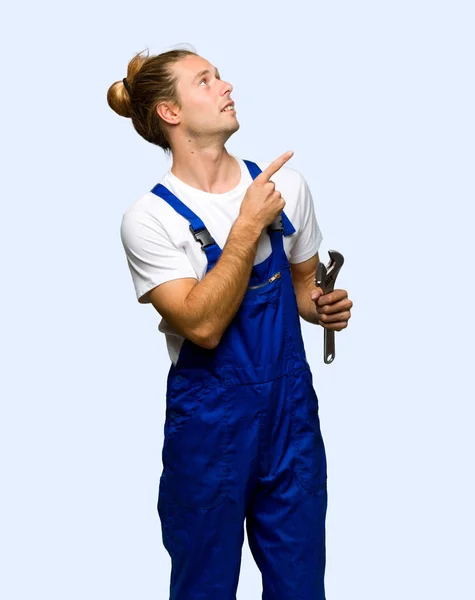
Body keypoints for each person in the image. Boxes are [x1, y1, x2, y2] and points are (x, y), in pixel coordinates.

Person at [108, 46, 353, 600]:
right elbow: (202, 326)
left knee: (300, 588)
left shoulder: (286, 189)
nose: (226, 87)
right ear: (171, 112)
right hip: (210, 431)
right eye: (205, 81)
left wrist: (322, 307)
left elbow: (301, 291)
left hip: (290, 423)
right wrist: (247, 225)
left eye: (219, 77)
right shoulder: (149, 220)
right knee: (204, 589)